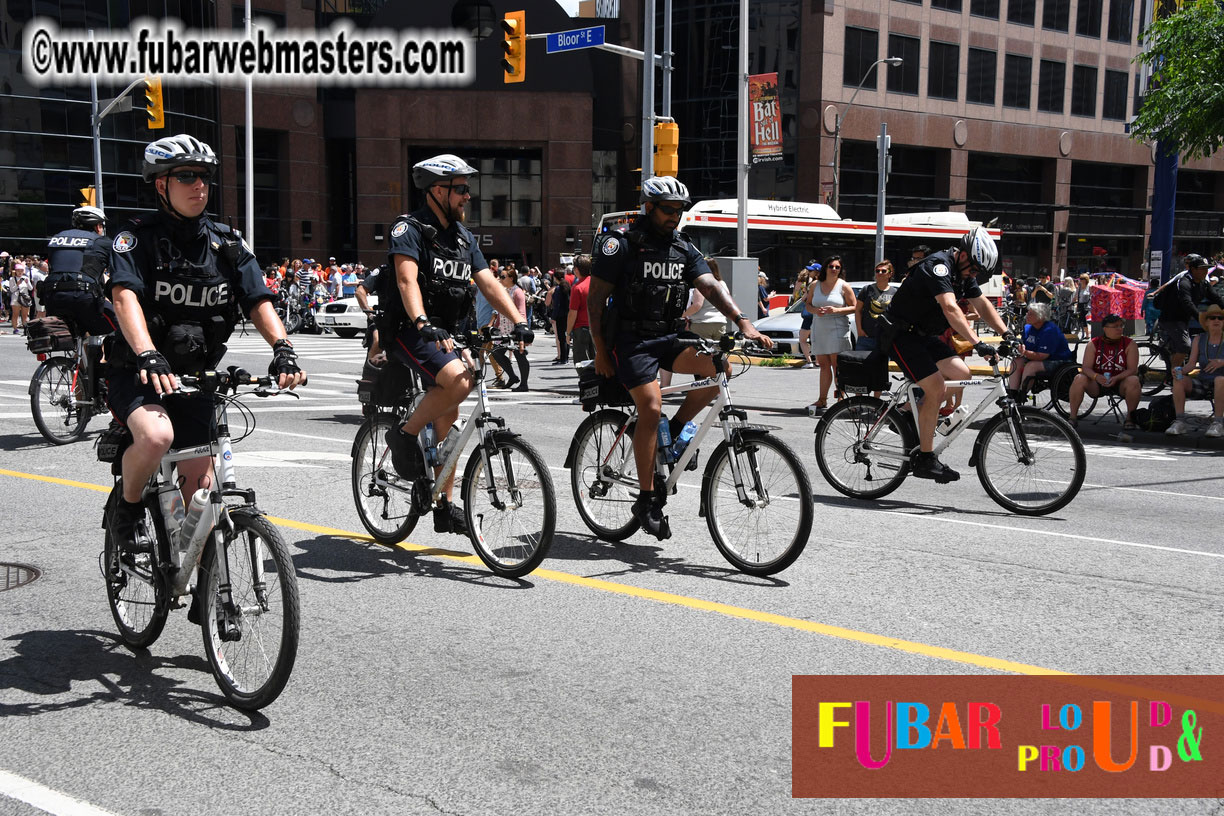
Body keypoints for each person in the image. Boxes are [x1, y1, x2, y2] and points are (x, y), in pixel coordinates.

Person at [104, 134, 305, 558]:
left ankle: (203, 580)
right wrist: (147, 353)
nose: (200, 185)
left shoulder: (226, 243)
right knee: (158, 438)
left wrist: (283, 349)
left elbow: (258, 299)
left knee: (204, 490)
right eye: (187, 176)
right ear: (161, 184)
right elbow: (125, 298)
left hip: (196, 377)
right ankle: (128, 507)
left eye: (205, 178)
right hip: (140, 372)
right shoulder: (135, 239)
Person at [588, 176, 772, 539]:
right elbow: (595, 302)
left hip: (668, 335)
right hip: (630, 341)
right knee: (651, 408)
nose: (676, 216)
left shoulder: (682, 247)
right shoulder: (619, 244)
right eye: (669, 210)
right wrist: (598, 350)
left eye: (680, 210)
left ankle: (672, 431)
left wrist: (743, 321)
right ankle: (646, 499)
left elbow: (710, 285)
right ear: (649, 207)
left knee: (719, 369)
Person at [376, 154, 533, 535]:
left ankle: (444, 505)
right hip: (412, 330)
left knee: (450, 416)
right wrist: (422, 321)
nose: (467, 196)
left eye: (467, 188)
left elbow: (487, 282)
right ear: (436, 191)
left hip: (449, 332)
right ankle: (404, 434)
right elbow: (406, 280)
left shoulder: (464, 238)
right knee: (459, 381)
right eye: (461, 189)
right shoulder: (408, 229)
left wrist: (519, 320)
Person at [884, 228, 1011, 482]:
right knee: (936, 387)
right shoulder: (938, 266)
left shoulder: (964, 271)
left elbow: (982, 304)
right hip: (899, 334)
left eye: (977, 272)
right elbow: (950, 308)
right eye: (973, 270)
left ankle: (908, 412)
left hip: (923, 336)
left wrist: (1007, 333)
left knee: (961, 373)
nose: (973, 275)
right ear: (962, 254)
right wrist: (977, 343)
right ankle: (926, 460)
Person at [42, 206, 118, 336]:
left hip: (51, 297)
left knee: (77, 327)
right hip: (83, 297)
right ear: (98, 226)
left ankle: (79, 353)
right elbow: (118, 272)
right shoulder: (102, 242)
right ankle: (105, 356)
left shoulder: (56, 238)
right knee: (121, 324)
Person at [1066, 313, 1140, 429]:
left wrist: (1116, 378)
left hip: (1120, 382)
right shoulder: (1094, 343)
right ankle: (1072, 418)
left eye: (1121, 326)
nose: (1119, 329)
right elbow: (1085, 368)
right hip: (1097, 383)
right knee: (1079, 378)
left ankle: (1130, 418)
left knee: (1134, 380)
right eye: (1115, 326)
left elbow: (1132, 369)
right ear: (1105, 328)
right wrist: (1096, 377)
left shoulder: (1129, 344)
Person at [804, 255, 856, 415]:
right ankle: (822, 399)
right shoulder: (815, 285)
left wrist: (837, 310)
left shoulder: (844, 286)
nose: (834, 269)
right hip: (819, 326)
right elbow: (808, 304)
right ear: (825, 268)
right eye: (831, 266)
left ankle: (841, 399)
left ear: (841, 270)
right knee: (824, 365)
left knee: (837, 365)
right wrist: (815, 310)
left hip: (837, 326)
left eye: (837, 267)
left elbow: (855, 306)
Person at [1156, 253, 1224, 368]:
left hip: (1184, 319)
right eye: (1202, 269)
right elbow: (1187, 303)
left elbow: (1216, 298)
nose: (1205, 272)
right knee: (1185, 346)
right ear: (1193, 269)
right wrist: (1201, 318)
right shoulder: (1184, 282)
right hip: (1172, 319)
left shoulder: (1204, 283)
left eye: (1206, 269)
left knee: (1183, 346)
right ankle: (1173, 377)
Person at [1166, 303, 1224, 437]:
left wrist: (1222, 362)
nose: (1216, 321)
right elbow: (1191, 364)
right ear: (1207, 322)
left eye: (1220, 318)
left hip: (1222, 382)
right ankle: (1180, 422)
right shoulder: (1199, 339)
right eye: (1212, 318)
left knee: (1220, 380)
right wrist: (1179, 371)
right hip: (1204, 382)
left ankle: (1218, 423)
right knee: (1179, 380)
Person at [1007, 302, 1074, 397]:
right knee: (1016, 361)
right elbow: (1024, 347)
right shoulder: (1028, 328)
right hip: (1037, 357)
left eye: (1031, 314)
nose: (1027, 315)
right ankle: (1012, 393)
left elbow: (1042, 356)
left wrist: (1024, 352)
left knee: (1031, 366)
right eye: (1027, 313)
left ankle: (1021, 395)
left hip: (1058, 360)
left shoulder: (1050, 330)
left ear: (1041, 317)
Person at [491, 268, 530, 391]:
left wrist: (522, 330)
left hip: (515, 329)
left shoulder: (517, 292)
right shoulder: (503, 291)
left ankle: (524, 384)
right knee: (496, 352)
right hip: (503, 329)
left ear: (511, 278)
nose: (500, 279)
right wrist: (495, 325)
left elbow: (522, 312)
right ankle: (512, 377)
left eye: (503, 277)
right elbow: (499, 311)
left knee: (520, 355)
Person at [855, 260, 895, 354]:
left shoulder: (894, 293)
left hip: (885, 339)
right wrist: (859, 330)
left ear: (890, 274)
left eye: (883, 271)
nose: (880, 273)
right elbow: (858, 310)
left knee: (881, 368)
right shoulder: (866, 290)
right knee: (861, 367)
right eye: (877, 271)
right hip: (866, 338)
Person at [566, 254, 594, 365]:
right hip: (596, 326)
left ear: (577, 269)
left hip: (581, 329)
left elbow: (573, 313)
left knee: (582, 363)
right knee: (596, 361)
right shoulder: (596, 284)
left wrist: (568, 333)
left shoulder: (577, 288)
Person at [796, 260, 819, 368]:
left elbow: (804, 299)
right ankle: (818, 361)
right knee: (816, 339)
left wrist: (805, 294)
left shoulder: (813, 284)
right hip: (818, 314)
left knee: (803, 339)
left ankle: (809, 361)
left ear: (817, 272)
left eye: (811, 271)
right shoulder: (824, 284)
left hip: (810, 315)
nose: (809, 272)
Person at [549, 269, 570, 364]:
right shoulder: (567, 286)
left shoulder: (558, 288)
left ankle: (563, 358)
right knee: (566, 336)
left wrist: (553, 317)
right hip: (567, 314)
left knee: (561, 338)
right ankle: (566, 357)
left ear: (555, 277)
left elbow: (557, 304)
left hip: (560, 315)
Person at [8, 261, 33, 334]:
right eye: (18, 271)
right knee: (15, 314)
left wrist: (27, 282)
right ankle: (15, 329)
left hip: (25, 298)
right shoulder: (12, 279)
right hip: (15, 298)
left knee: (24, 315)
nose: (20, 272)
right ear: (15, 271)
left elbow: (30, 288)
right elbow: (12, 290)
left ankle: (26, 329)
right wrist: (17, 284)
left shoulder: (25, 278)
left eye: (21, 271)